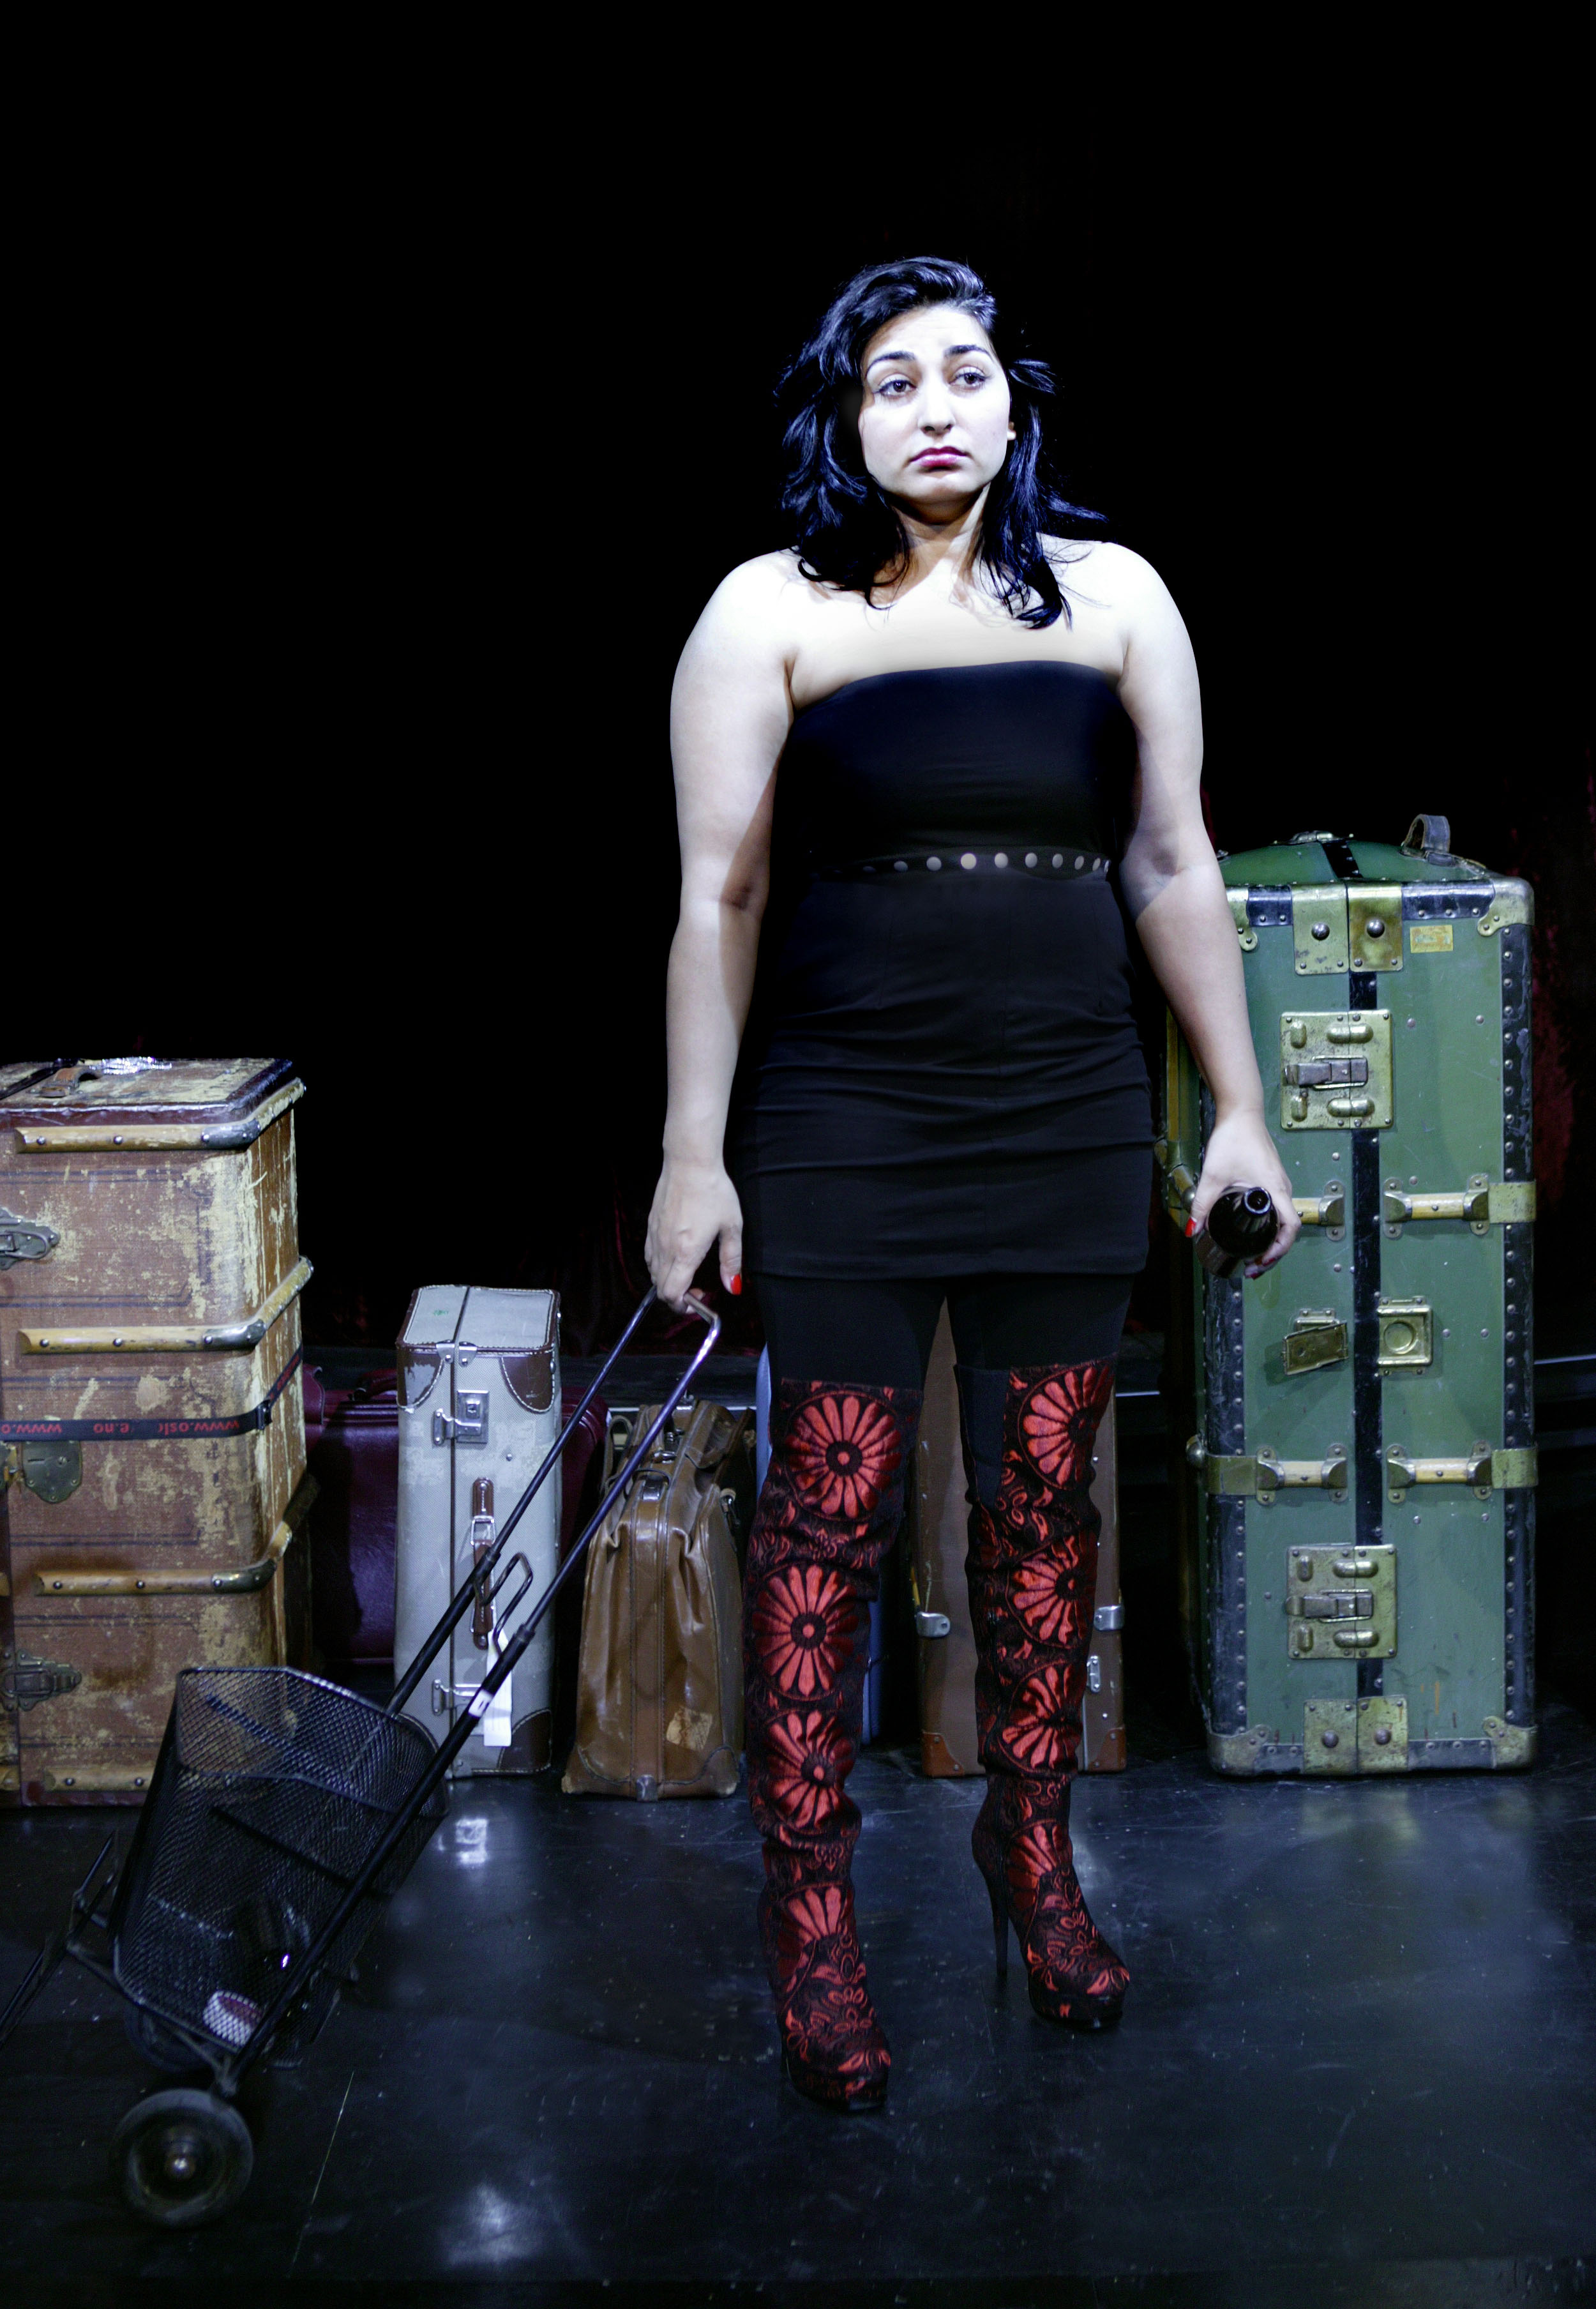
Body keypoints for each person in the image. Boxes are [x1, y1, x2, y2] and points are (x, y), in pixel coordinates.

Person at [645, 256, 1297, 2112]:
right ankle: (812, 1916)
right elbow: (719, 897)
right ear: (843, 417)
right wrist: (692, 1155)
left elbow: (1172, 864)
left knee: (1040, 1522)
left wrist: (1236, 1114)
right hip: (846, 1120)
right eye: (892, 380)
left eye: (967, 372)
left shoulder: (1117, 595)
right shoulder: (767, 610)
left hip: (1064, 1112)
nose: (935, 406)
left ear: (1014, 403)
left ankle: (1033, 1850)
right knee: (826, 1527)